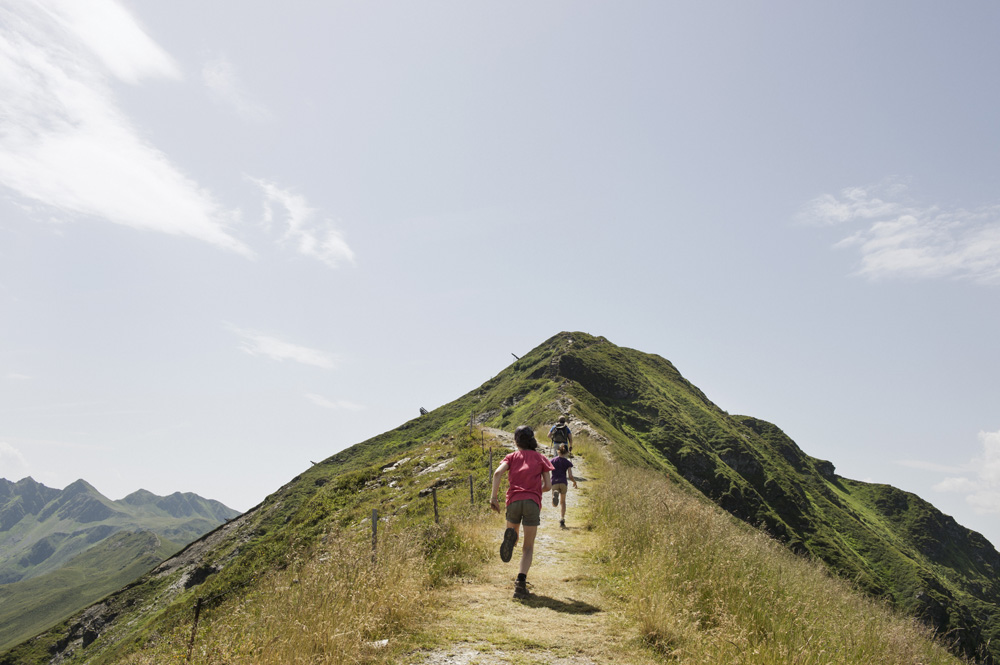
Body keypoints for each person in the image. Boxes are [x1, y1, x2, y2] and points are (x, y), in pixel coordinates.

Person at [490, 425, 553, 599]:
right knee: (528, 547)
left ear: (516, 441)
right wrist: (534, 489)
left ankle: (512, 537)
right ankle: (520, 583)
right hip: (532, 502)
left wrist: (493, 498)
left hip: (513, 501)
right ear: (531, 439)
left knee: (513, 534)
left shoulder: (511, 457)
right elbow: (548, 486)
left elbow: (497, 473)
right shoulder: (541, 458)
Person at [549, 444, 578, 528]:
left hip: (554, 482)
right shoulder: (567, 462)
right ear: (566, 453)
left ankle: (555, 493)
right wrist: (574, 482)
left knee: (554, 504)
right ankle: (562, 519)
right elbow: (570, 476)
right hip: (563, 482)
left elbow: (547, 471)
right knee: (563, 502)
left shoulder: (552, 460)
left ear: (558, 451)